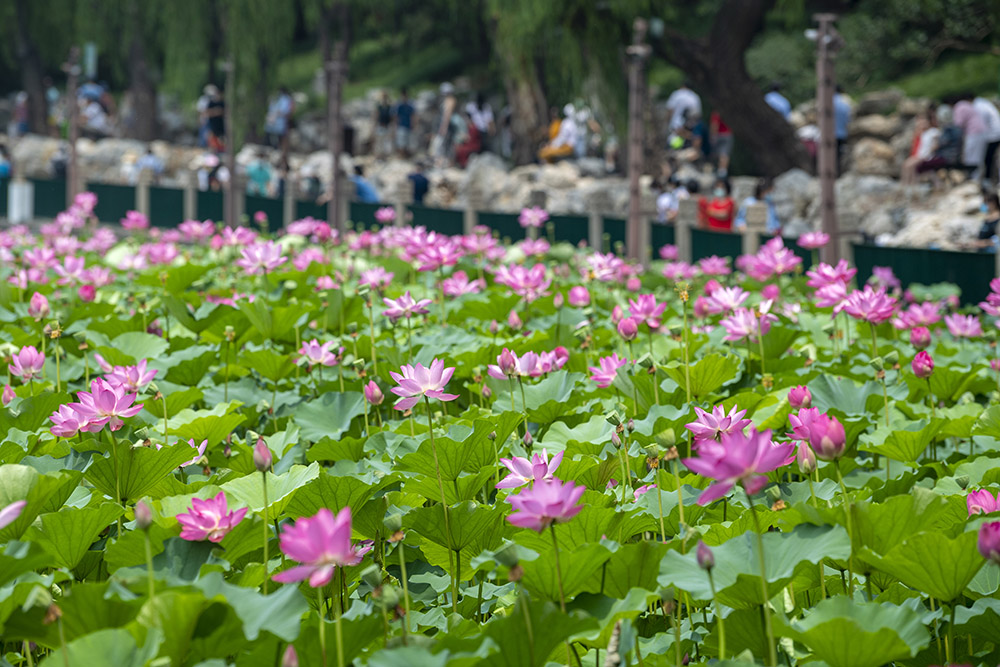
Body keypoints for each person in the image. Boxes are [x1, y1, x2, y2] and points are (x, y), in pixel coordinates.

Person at [901, 112, 942, 192]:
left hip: (926, 155)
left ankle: (911, 185)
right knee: (906, 165)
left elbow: (936, 145)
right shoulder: (924, 133)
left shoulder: (933, 132)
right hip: (921, 155)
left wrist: (928, 152)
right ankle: (905, 184)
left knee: (910, 166)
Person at [954, 93, 989, 180]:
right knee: (979, 157)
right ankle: (978, 178)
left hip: (974, 133)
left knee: (971, 157)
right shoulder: (967, 105)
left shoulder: (960, 106)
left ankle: (974, 178)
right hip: (981, 132)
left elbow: (958, 123)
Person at [974, 96, 1000, 184]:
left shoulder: (978, 106)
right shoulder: (983, 104)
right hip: (995, 134)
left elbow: (982, 124)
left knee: (988, 159)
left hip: (993, 135)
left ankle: (987, 180)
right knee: (993, 159)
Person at [431, 82, 458, 163]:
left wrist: (444, 127)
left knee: (445, 143)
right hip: (445, 124)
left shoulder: (450, 100)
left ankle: (444, 160)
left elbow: (447, 114)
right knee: (444, 143)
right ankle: (443, 160)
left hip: (448, 125)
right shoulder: (448, 100)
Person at [264, 87, 294, 151]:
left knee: (279, 138)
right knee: (270, 137)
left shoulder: (285, 99)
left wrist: (275, 114)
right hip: (274, 122)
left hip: (280, 123)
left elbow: (285, 111)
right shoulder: (275, 98)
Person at [833, 86, 851, 173]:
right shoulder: (845, 102)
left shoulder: (826, 101)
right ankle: (838, 173)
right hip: (842, 133)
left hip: (828, 135)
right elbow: (848, 119)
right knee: (839, 155)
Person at [709, 111, 733, 176]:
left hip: (720, 135)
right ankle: (723, 171)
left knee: (720, 154)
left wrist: (713, 135)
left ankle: (720, 171)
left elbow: (714, 125)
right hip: (728, 134)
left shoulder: (716, 113)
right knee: (724, 154)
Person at [393, 87, 416, 156]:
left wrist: (413, 124)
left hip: (408, 125)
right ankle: (402, 155)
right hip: (401, 125)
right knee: (401, 142)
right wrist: (395, 126)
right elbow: (396, 116)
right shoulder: (399, 105)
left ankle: (406, 155)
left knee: (408, 142)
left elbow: (413, 115)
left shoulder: (410, 105)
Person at [205, 86, 226, 152]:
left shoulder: (222, 103)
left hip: (221, 124)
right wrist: (216, 112)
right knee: (213, 139)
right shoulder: (211, 103)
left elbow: (224, 111)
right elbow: (207, 112)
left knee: (221, 140)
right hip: (213, 124)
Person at [373, 91, 393, 157]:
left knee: (387, 142)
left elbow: (392, 117)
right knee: (379, 141)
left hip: (387, 125)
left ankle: (386, 155)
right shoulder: (379, 106)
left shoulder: (389, 107)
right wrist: (374, 125)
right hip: (380, 125)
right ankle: (379, 155)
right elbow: (376, 116)